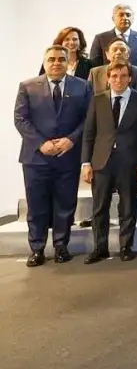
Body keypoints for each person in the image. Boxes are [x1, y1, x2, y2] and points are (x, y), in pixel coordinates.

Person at [15, 46, 92, 267]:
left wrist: (72, 140)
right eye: (51, 59)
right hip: (36, 158)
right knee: (36, 206)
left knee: (65, 204)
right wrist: (41, 143)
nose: (56, 63)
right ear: (45, 62)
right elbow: (20, 119)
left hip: (68, 155)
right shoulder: (27, 86)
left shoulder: (83, 86)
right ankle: (37, 249)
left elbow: (89, 118)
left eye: (61, 59)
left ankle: (61, 247)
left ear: (68, 62)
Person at [81, 62, 137, 263]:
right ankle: (100, 248)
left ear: (130, 78)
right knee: (99, 207)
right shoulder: (97, 100)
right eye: (114, 76)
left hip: (129, 162)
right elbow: (89, 133)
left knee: (128, 207)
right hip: (101, 162)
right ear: (108, 78)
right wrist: (85, 163)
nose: (118, 80)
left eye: (122, 76)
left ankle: (125, 246)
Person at [89, 3, 137, 68]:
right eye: (121, 15)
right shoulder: (100, 38)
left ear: (133, 18)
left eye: (128, 15)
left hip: (136, 74)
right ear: (113, 18)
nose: (125, 18)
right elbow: (94, 65)